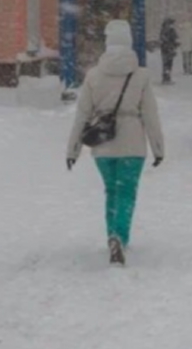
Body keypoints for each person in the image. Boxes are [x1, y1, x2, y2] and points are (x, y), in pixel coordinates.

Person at [66, 20, 165, 267]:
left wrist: (73, 150)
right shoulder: (140, 76)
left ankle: (112, 234)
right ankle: (119, 237)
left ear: (107, 43)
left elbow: (82, 115)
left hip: (103, 143)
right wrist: (158, 148)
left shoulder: (93, 75)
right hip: (132, 144)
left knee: (111, 190)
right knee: (127, 192)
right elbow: (150, 115)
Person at [158, 17, 179, 85]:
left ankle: (165, 77)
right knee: (169, 63)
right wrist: (174, 44)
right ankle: (167, 77)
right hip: (169, 48)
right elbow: (175, 38)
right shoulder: (171, 30)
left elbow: (161, 39)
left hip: (164, 49)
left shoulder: (163, 29)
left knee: (165, 63)